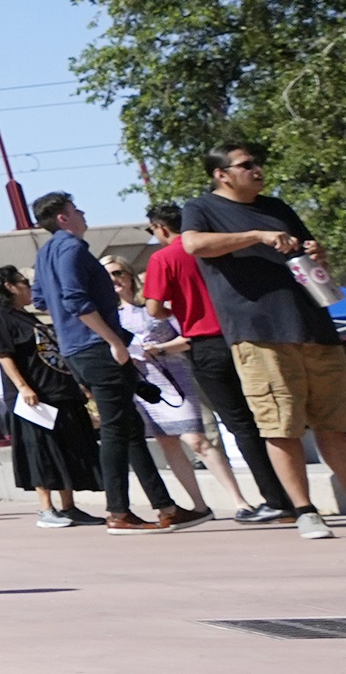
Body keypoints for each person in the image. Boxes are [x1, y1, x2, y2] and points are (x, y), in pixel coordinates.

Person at [181, 145, 346, 537]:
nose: (257, 170)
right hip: (258, 332)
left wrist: (315, 252)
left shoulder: (278, 206)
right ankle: (305, 511)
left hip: (312, 323)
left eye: (258, 163)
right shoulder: (201, 208)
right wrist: (256, 235)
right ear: (221, 174)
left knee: (334, 423)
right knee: (282, 425)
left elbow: (309, 251)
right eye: (247, 166)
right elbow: (193, 244)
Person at [28, 192, 188, 533]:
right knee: (117, 429)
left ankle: (165, 506)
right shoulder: (72, 248)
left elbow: (42, 299)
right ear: (63, 218)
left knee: (127, 427)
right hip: (95, 346)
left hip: (77, 350)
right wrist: (114, 340)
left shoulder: (44, 254)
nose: (83, 213)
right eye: (77, 209)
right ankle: (118, 511)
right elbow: (75, 300)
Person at [140, 201, 297, 523]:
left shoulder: (163, 258)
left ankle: (277, 499)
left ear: (161, 227)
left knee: (240, 424)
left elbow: (153, 308)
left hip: (204, 343)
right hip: (243, 335)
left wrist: (177, 311)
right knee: (270, 416)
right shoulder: (219, 247)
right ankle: (296, 493)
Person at [108, 252, 235, 515]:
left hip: (175, 375)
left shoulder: (154, 306)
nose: (114, 280)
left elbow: (188, 337)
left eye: (117, 273)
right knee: (168, 443)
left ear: (129, 275)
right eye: (107, 276)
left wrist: (160, 348)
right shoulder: (111, 318)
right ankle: (199, 506)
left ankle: (239, 501)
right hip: (144, 384)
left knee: (197, 440)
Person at [0, 265, 95, 525]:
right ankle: (46, 509)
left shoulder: (28, 317)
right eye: (24, 282)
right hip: (34, 397)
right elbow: (3, 353)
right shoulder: (0, 315)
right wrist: (23, 387)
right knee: (41, 451)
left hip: (58, 392)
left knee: (66, 449)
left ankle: (69, 507)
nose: (30, 288)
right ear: (9, 286)